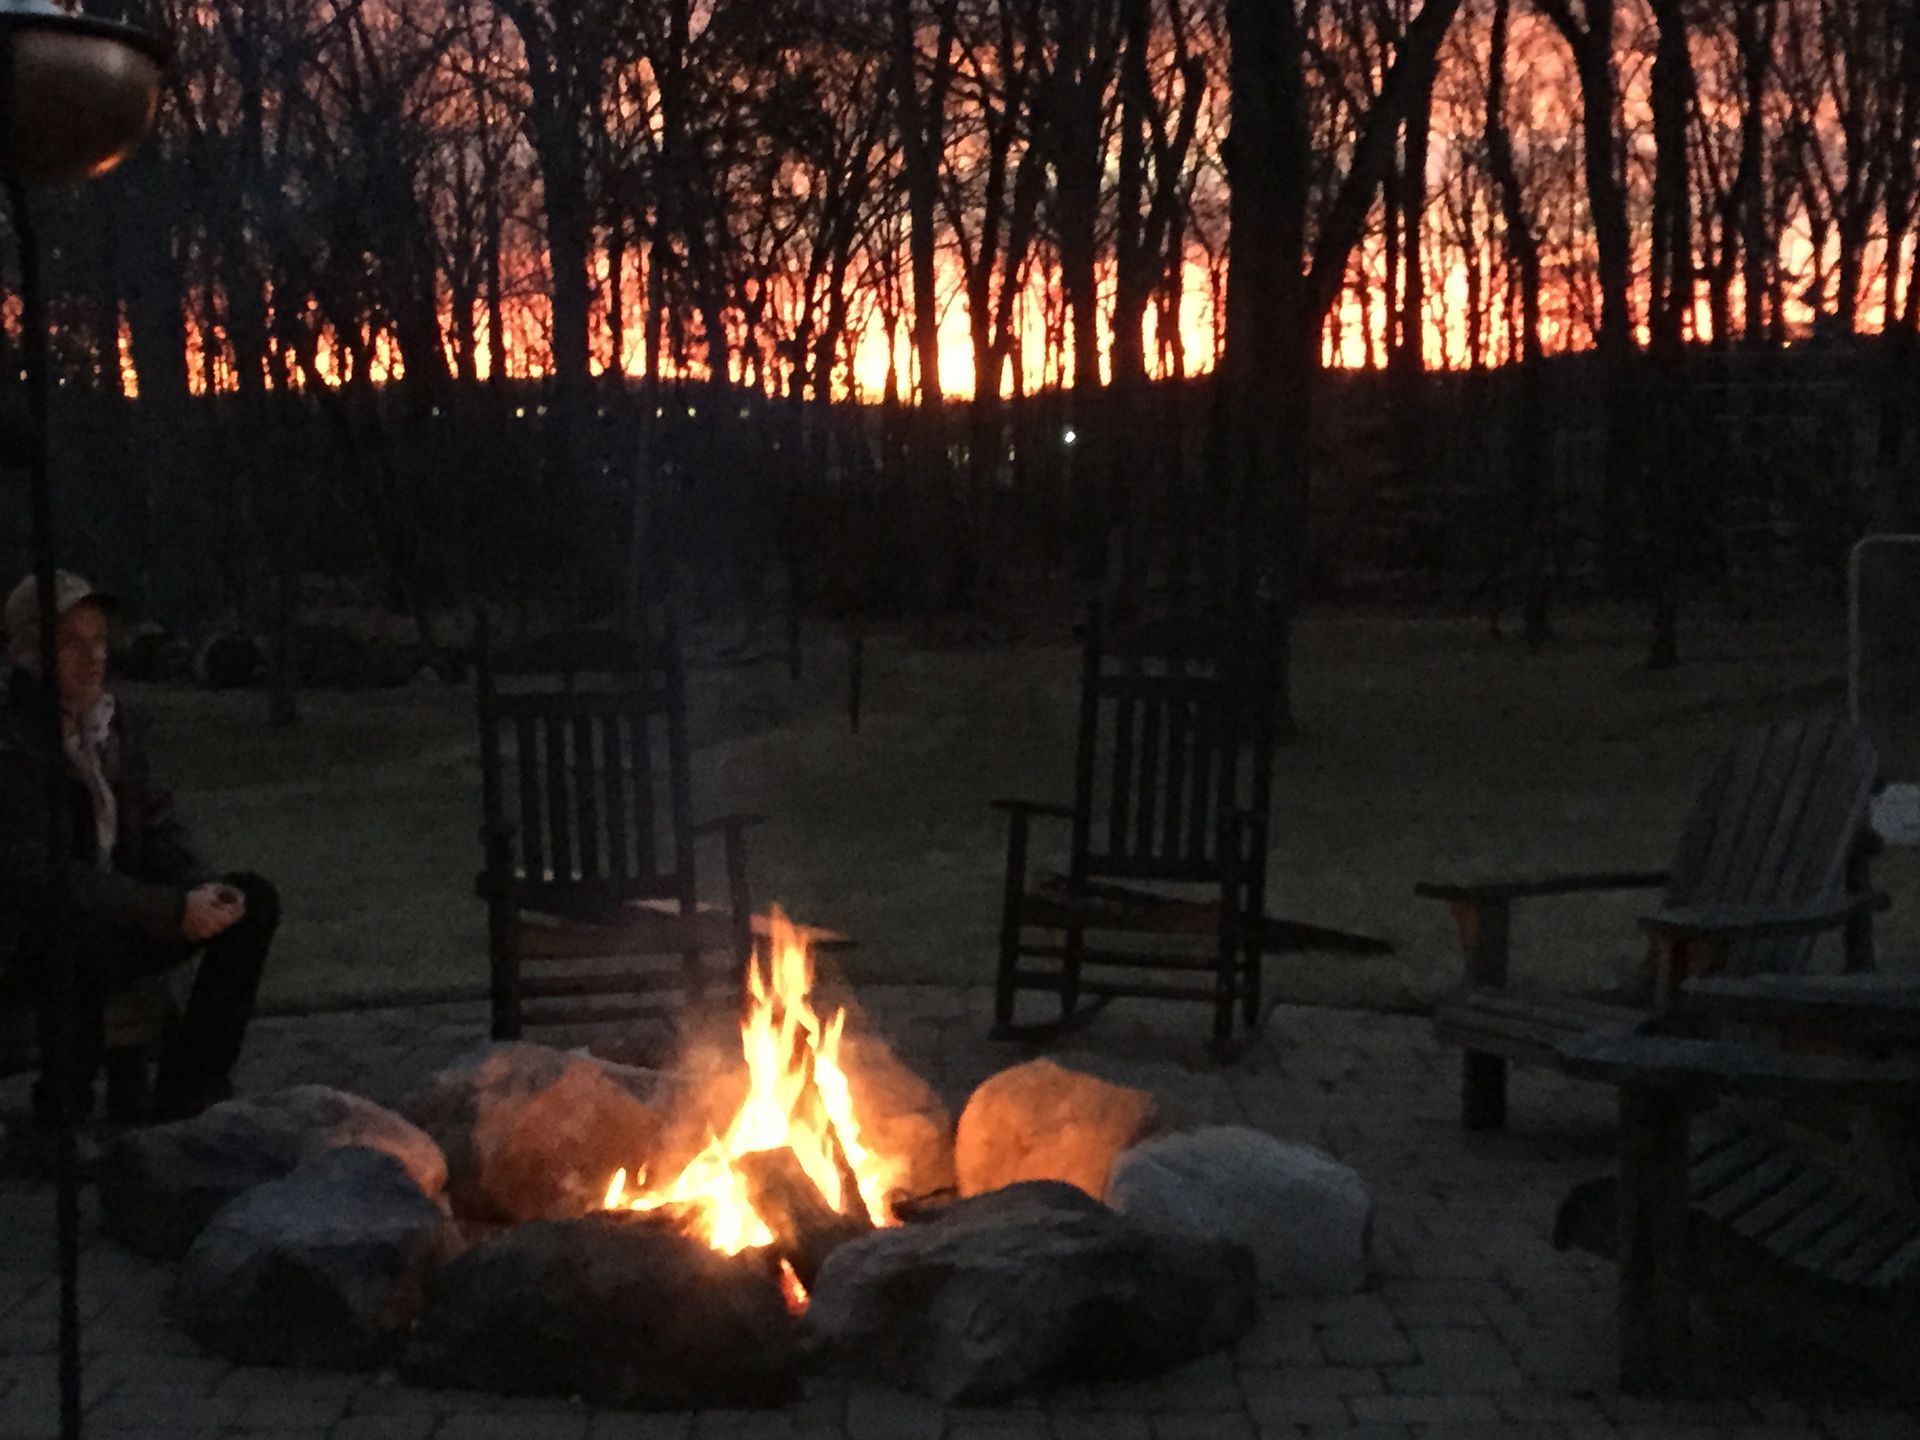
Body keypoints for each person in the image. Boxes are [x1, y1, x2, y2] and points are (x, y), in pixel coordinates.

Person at [0, 571, 278, 1145]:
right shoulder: (14, 740)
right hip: (32, 935)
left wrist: (202, 890)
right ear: (29, 651)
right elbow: (39, 873)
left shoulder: (109, 725)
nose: (93, 656)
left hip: (119, 913)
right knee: (69, 931)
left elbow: (153, 821)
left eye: (99, 640)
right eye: (72, 642)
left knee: (252, 902)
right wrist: (168, 910)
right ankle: (61, 1113)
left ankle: (187, 1090)